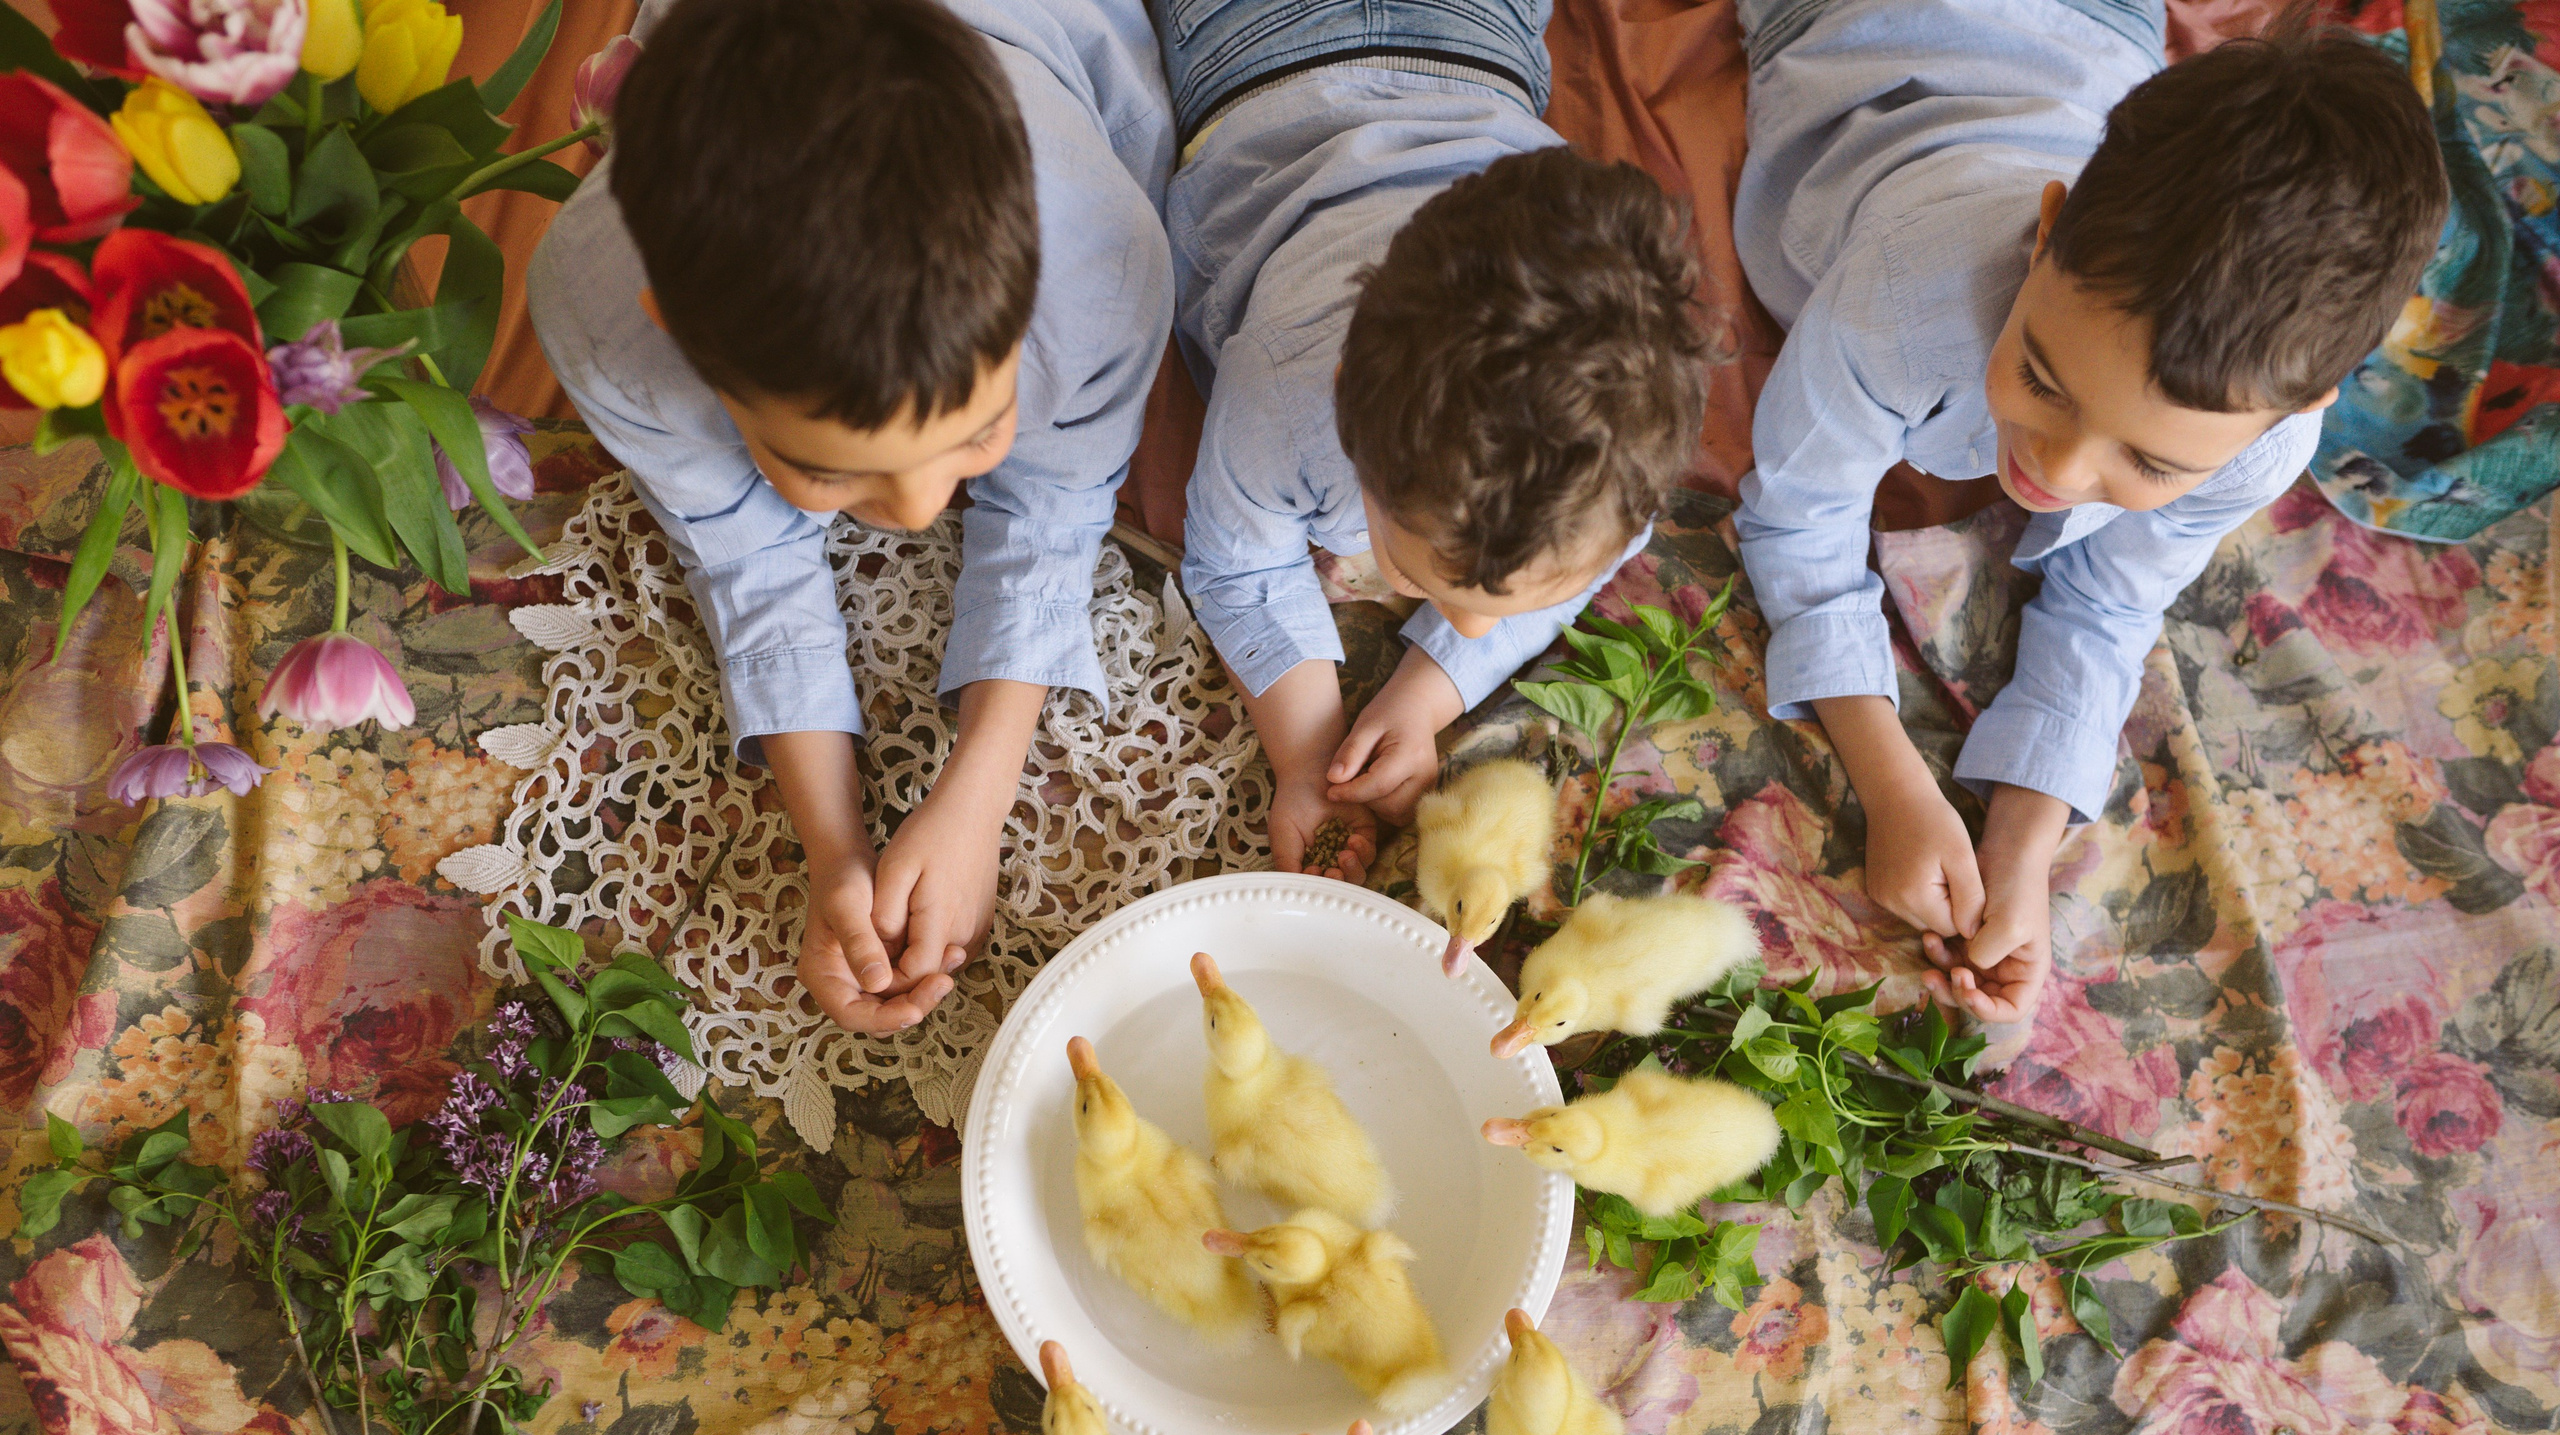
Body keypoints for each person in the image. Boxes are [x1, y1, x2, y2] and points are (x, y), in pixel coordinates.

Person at [1730, 1, 2445, 1025]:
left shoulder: (2268, 440)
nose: (2056, 472)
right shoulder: (1898, 290)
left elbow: (2112, 605)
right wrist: (1889, 781)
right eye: (2041, 376)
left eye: (2146, 460)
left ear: (2297, 412)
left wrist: (2022, 843)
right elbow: (1796, 515)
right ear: (2048, 227)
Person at [528, 0, 1173, 1034]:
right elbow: (744, 562)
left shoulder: (1107, 257)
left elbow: (1055, 509)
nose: (921, 514)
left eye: (980, 427)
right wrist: (833, 849)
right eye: (826, 472)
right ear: (678, 333)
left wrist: (976, 794)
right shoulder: (600, 319)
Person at [1160, 0, 1710, 882]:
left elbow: (1585, 558)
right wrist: (1306, 759)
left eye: (1508, 606)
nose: (1469, 625)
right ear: (1348, 406)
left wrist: (1429, 687)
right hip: (1253, 39)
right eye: (1422, 581)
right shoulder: (1282, 395)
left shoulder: (1615, 464)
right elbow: (1237, 567)